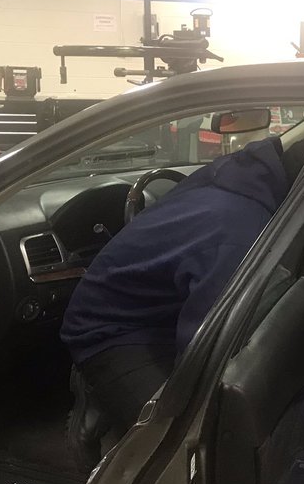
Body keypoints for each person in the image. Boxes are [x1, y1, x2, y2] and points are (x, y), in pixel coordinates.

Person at [61, 135, 289, 462]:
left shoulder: (246, 181)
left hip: (163, 308)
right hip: (110, 329)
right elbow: (206, 354)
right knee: (183, 447)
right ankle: (96, 389)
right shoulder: (238, 231)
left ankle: (113, 399)